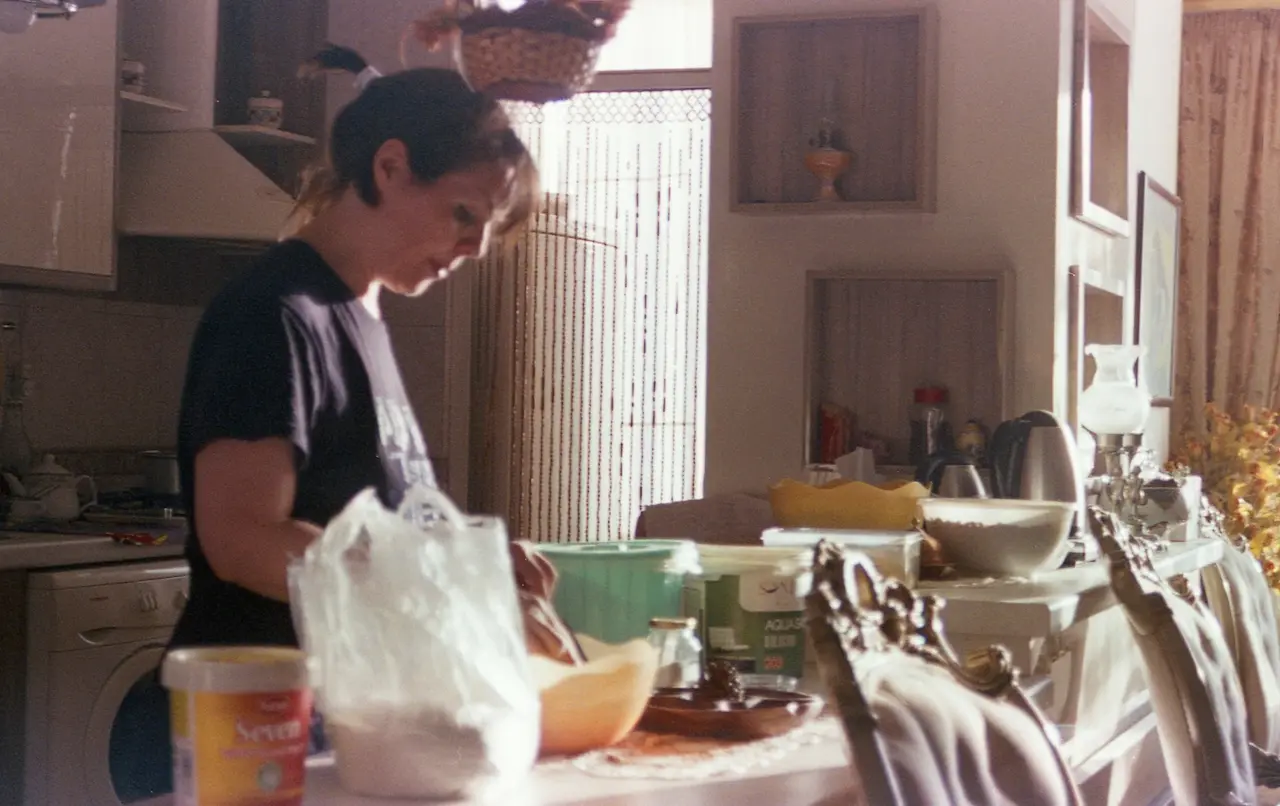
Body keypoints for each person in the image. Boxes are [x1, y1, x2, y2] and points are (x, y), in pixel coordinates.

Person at [111, 48, 558, 801]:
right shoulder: (277, 315)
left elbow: (358, 525)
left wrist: (465, 566)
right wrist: (433, 584)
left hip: (331, 725)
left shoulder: (360, 314)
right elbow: (244, 539)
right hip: (250, 733)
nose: (475, 247)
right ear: (390, 168)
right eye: (463, 214)